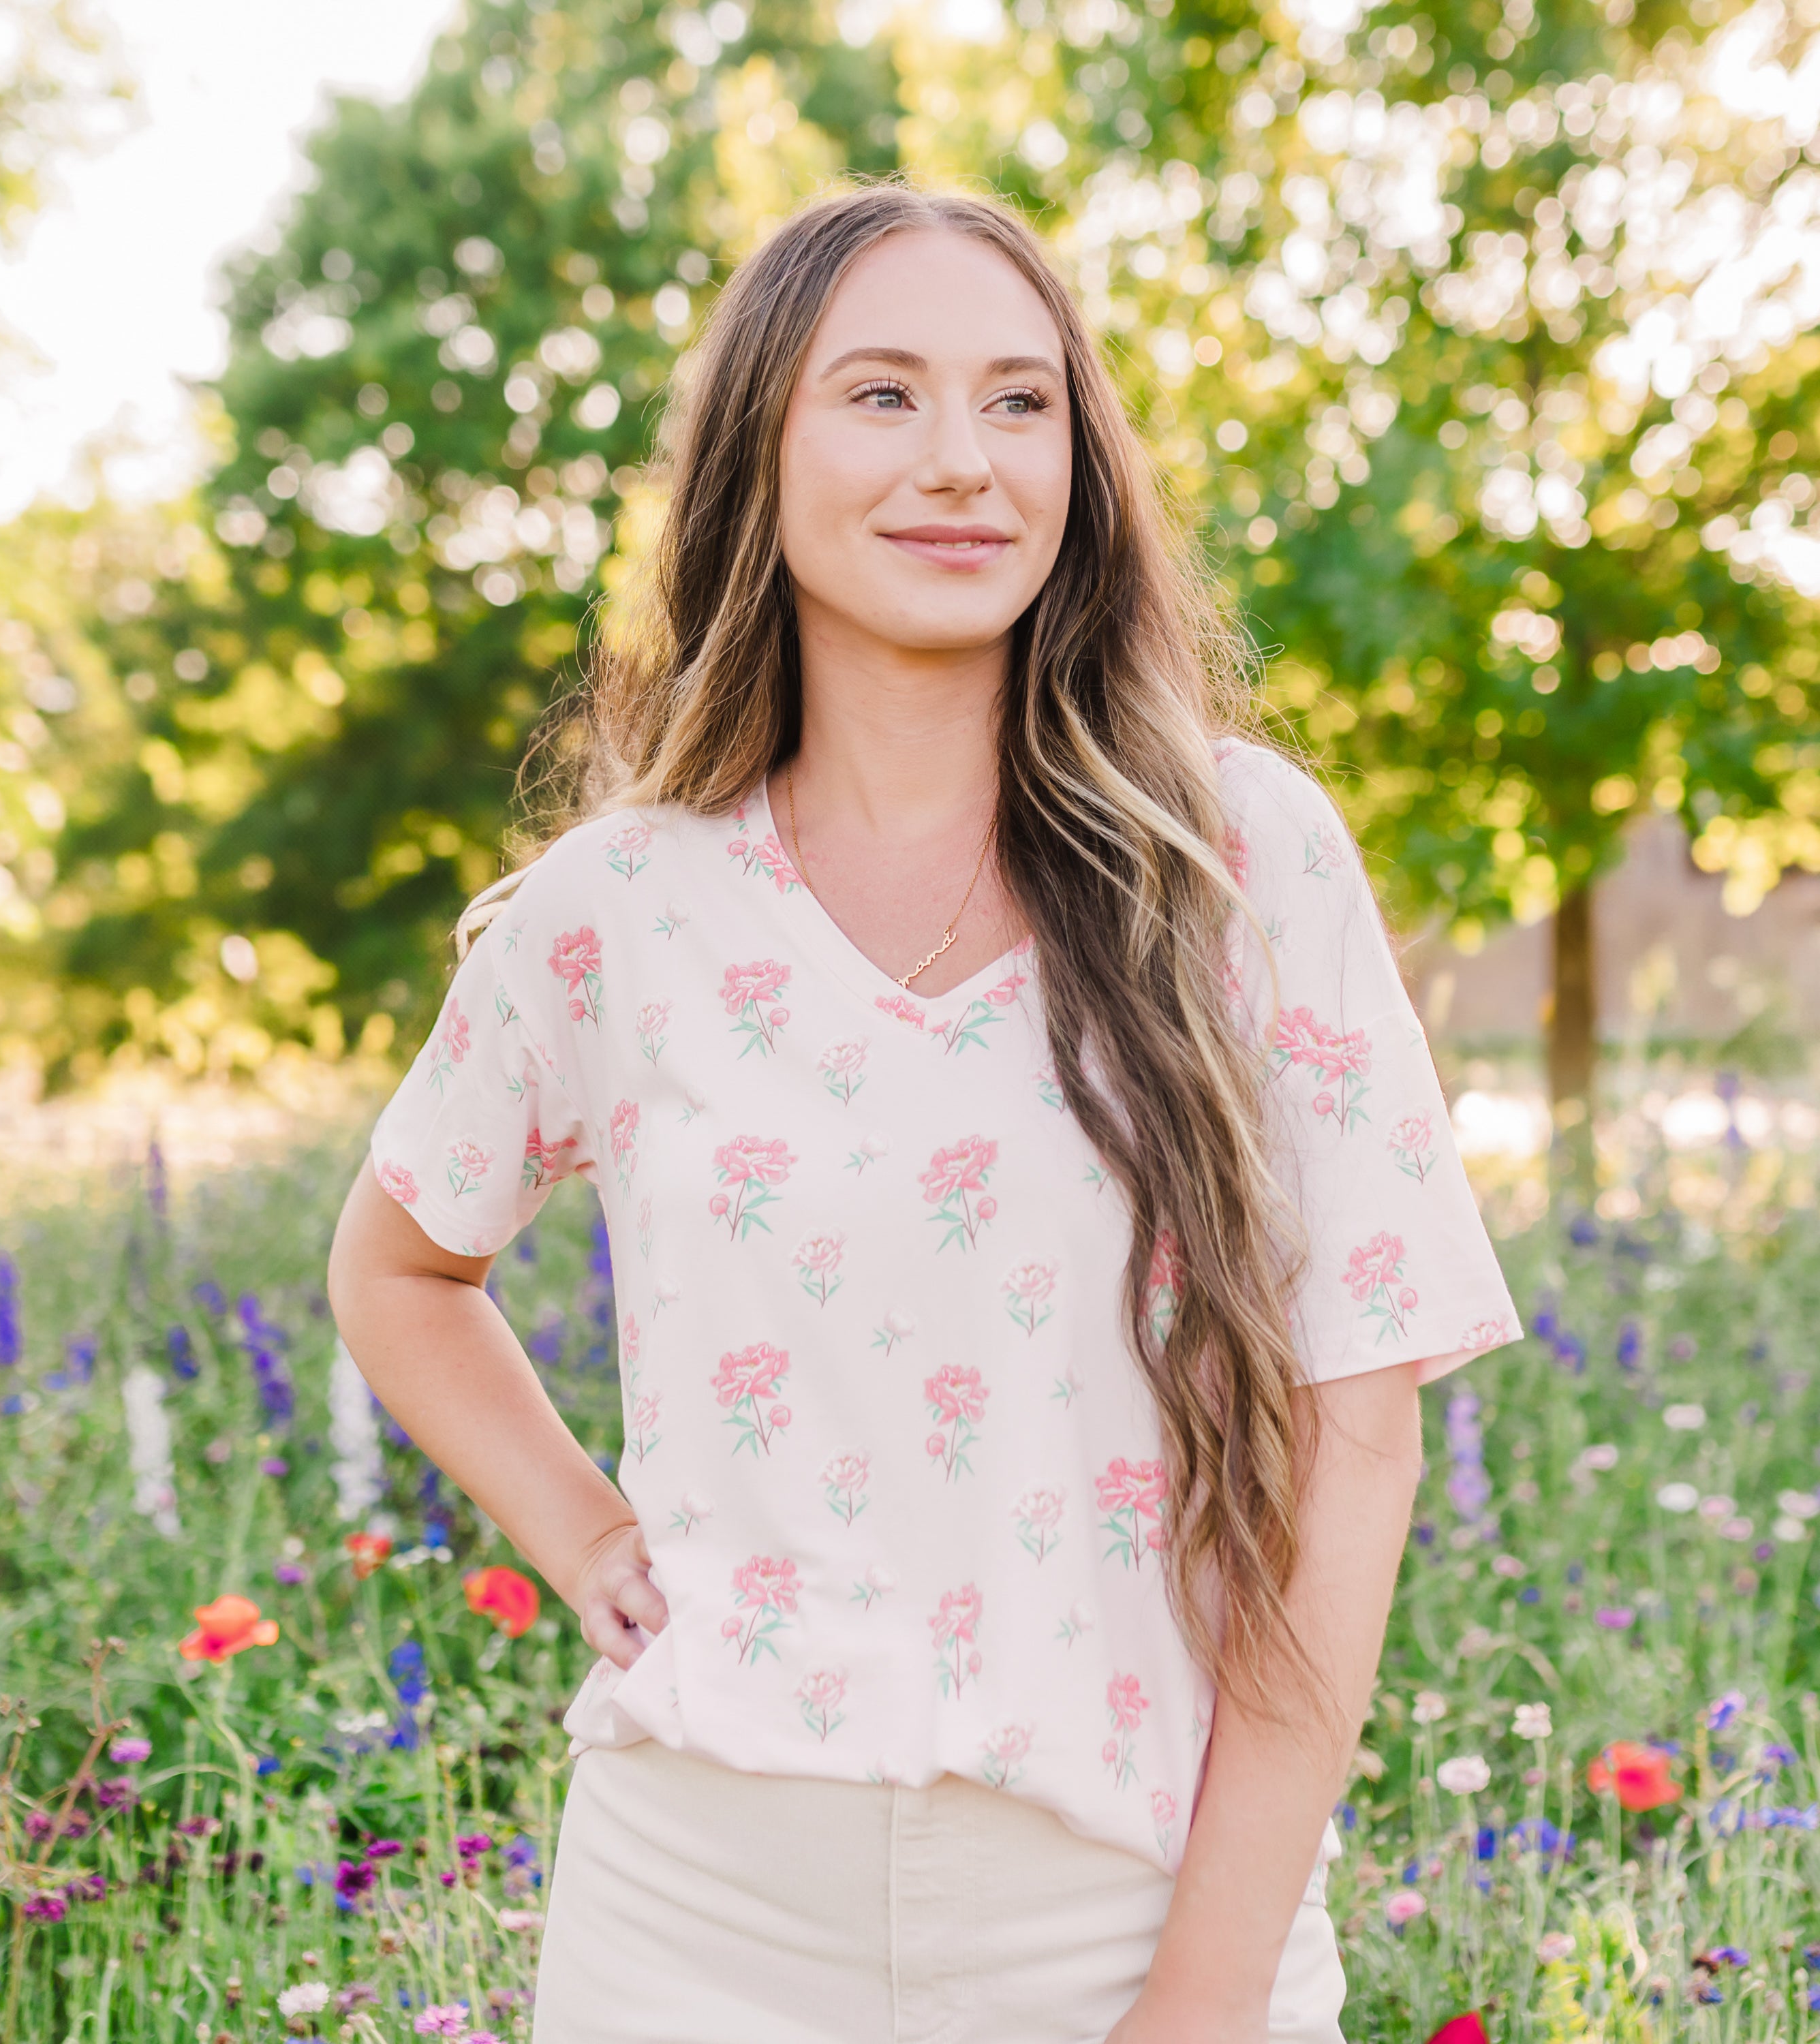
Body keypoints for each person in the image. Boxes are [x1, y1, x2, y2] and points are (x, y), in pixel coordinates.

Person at [327, 183, 1520, 2044]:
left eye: (1020, 401)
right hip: (695, 1927)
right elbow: (401, 1264)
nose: (962, 460)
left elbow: (1352, 1447)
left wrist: (1204, 1995)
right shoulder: (620, 909)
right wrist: (581, 1532)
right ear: (760, 456)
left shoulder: (1242, 856)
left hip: (1135, 1916)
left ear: (1081, 459)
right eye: (879, 396)